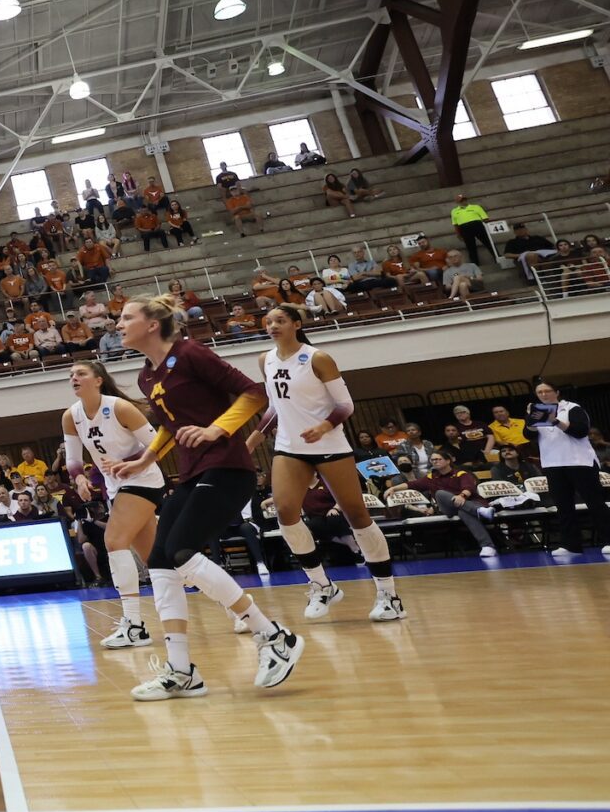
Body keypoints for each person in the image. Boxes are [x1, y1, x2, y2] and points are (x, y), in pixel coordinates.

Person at [102, 294, 303, 701]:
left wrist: (216, 430)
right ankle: (181, 671)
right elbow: (172, 426)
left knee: (181, 551)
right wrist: (144, 458)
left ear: (152, 324)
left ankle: (274, 635)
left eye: (126, 318)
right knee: (159, 559)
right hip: (193, 472)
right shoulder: (146, 376)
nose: (118, 325)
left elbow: (253, 394)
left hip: (227, 468)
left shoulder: (191, 353)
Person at [244, 305, 403, 622]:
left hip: (329, 445)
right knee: (286, 515)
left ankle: (389, 594)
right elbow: (275, 406)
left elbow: (345, 405)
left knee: (356, 514)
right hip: (290, 447)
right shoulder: (266, 360)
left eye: (280, 320)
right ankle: (321, 585)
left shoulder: (317, 358)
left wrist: (324, 426)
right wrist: (254, 437)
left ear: (296, 324)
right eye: (268, 321)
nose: (273, 325)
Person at [61, 362, 164, 650]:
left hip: (143, 479)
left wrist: (129, 465)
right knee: (159, 560)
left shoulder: (119, 407)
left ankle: (134, 625)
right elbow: (73, 459)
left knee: (114, 540)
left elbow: (157, 445)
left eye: (80, 373)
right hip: (116, 487)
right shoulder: (72, 416)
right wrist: (79, 478)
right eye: (71, 375)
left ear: (98, 380)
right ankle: (239, 609)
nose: (74, 378)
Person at [528, 380, 610, 559]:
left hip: (579, 461)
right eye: (539, 392)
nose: (543, 395)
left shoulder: (572, 408)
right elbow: (529, 435)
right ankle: (571, 544)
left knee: (594, 502)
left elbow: (580, 431)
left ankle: (608, 539)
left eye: (546, 391)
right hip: (553, 463)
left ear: (556, 392)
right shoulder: (539, 411)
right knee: (563, 505)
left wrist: (555, 421)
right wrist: (531, 420)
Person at [450, 194, 499, 270]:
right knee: (471, 248)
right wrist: (458, 234)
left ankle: (498, 258)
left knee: (488, 243)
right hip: (464, 228)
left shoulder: (476, 207)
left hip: (477, 225)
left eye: (464, 199)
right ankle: (475, 265)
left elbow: (485, 218)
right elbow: (455, 224)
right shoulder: (454, 211)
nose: (464, 201)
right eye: (461, 200)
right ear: (457, 202)